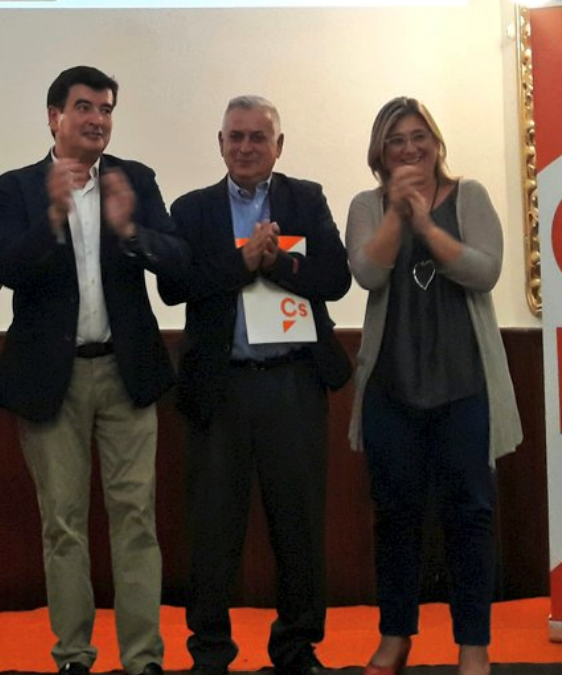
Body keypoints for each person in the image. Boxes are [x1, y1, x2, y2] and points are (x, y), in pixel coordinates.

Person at [0, 65, 188, 675]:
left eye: (105, 109)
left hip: (126, 375)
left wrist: (129, 229)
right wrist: (51, 217)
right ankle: (74, 657)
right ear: (54, 117)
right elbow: (8, 272)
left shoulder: (136, 179)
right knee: (63, 525)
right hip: (53, 381)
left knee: (137, 520)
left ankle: (143, 659)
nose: (97, 119)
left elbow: (177, 264)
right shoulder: (17, 188)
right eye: (83, 108)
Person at [159, 95, 350, 675]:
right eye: (235, 137)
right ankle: (210, 653)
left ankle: (297, 648)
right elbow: (174, 287)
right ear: (220, 144)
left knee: (298, 523)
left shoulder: (304, 198)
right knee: (213, 529)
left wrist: (278, 265)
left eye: (257, 138)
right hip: (221, 386)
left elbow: (336, 278)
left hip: (292, 383)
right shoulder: (191, 210)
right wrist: (243, 263)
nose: (245, 147)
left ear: (279, 146)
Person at [346, 97, 521, 675]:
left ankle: (473, 645)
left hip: (464, 387)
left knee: (470, 516)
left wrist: (426, 222)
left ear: (436, 143)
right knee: (394, 516)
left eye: (419, 135)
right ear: (381, 152)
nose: (410, 147)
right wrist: (399, 215)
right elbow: (367, 272)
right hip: (391, 391)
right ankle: (396, 636)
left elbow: (484, 270)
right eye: (396, 139)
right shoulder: (366, 206)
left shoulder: (467, 195)